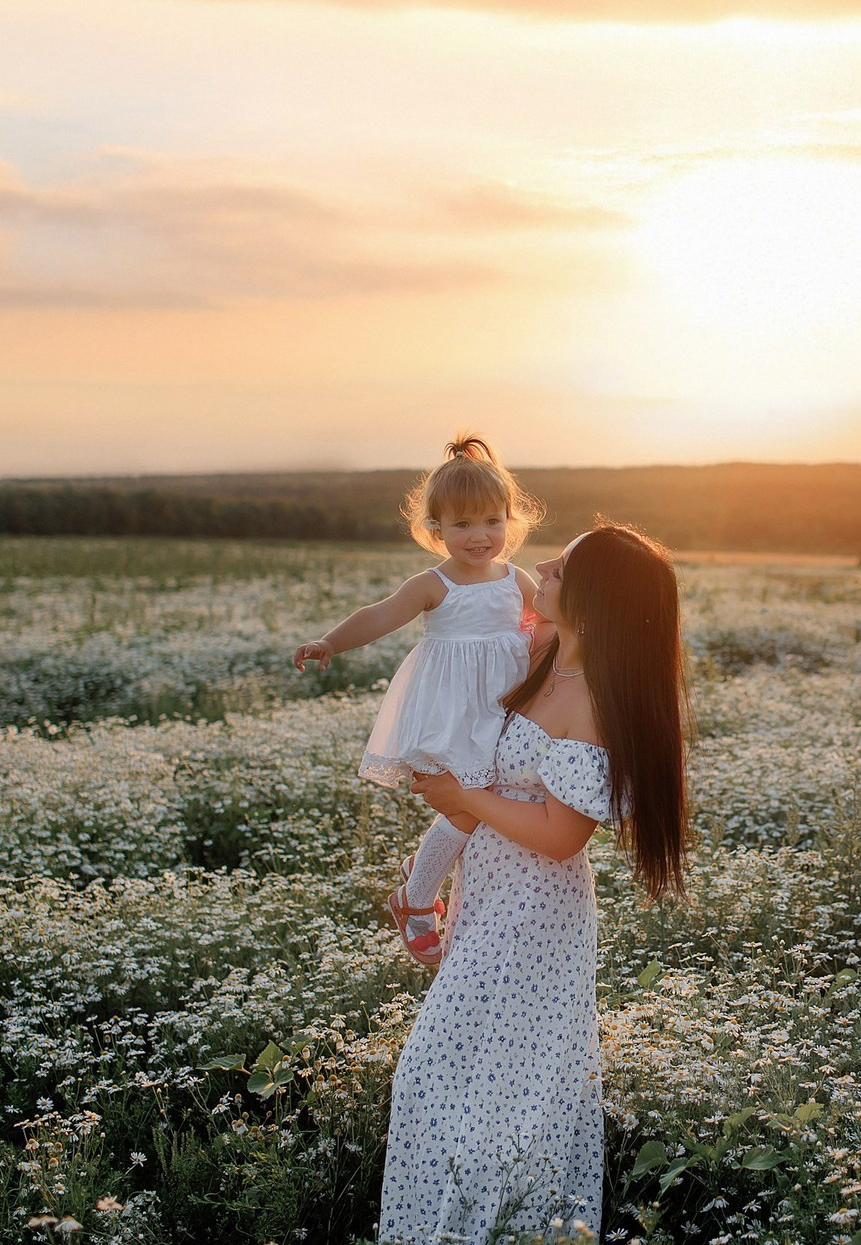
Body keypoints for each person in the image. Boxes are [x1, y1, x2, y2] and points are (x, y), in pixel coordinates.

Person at [378, 521, 691, 1244]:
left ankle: (492, 1231)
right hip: (493, 895)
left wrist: (463, 798)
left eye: (565, 565)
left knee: (459, 1082)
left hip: (535, 913)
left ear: (597, 601)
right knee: (473, 1082)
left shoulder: (594, 701)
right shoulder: (548, 656)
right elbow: (459, 634)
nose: (543, 564)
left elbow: (561, 835)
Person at [293, 435, 543, 964]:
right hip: (454, 713)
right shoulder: (434, 584)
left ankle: (454, 891)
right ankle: (417, 896)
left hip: (504, 708)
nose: (480, 536)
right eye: (462, 525)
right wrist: (331, 641)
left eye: (492, 522)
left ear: (509, 520)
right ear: (435, 528)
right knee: (466, 804)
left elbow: (548, 624)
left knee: (499, 802)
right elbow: (379, 615)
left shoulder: (515, 578)